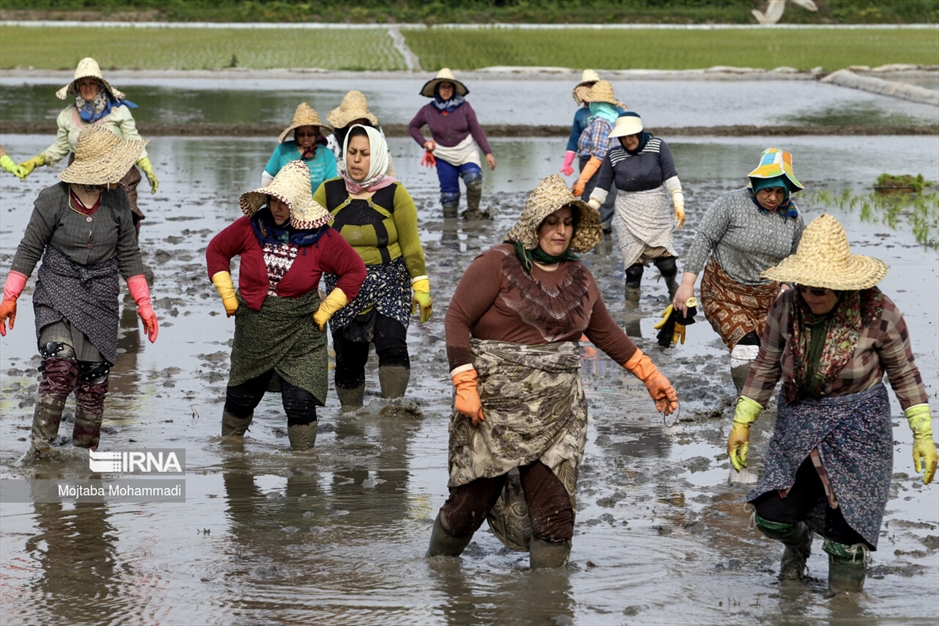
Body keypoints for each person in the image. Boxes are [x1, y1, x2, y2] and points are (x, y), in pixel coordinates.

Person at [426, 175, 679, 568]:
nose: (560, 231)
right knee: (468, 506)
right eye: (552, 222)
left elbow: (606, 333)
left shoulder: (580, 278)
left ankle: (546, 597)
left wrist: (650, 375)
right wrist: (464, 383)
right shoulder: (495, 263)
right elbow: (456, 318)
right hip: (492, 411)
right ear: (534, 224)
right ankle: (438, 573)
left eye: (567, 223)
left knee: (556, 515)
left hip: (558, 412)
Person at [727, 214, 937, 595]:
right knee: (772, 515)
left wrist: (922, 433)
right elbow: (766, 364)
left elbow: (904, 373)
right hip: (799, 425)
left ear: (842, 284)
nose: (813, 296)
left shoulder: (879, 312)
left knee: (846, 539)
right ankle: (799, 543)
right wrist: (743, 421)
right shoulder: (786, 307)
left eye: (822, 289)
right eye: (806, 287)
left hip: (859, 431)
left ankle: (846, 607)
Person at [0, 125, 159, 454]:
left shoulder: (117, 200)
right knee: (60, 369)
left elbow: (129, 255)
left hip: (101, 295)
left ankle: (85, 455)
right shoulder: (53, 199)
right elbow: (29, 249)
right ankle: (41, 452)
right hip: (56, 291)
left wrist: (144, 304)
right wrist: (9, 297)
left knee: (94, 380)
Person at [206, 161, 366, 450]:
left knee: (300, 402)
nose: (277, 208)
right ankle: (231, 459)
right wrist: (227, 293)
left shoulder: (321, 238)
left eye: (285, 203)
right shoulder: (251, 227)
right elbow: (217, 249)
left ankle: (303, 467)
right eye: (273, 200)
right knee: (241, 399)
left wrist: (327, 309)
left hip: (302, 331)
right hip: (255, 329)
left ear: (299, 205)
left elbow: (355, 270)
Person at [314, 125, 431, 410]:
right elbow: (309, 242)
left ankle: (394, 411)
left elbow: (411, 244)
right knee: (348, 357)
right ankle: (350, 417)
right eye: (352, 152)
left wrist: (420, 285)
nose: (356, 159)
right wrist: (309, 287)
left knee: (392, 343)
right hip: (344, 286)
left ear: (376, 156)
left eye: (364, 154)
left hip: (390, 281)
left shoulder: (395, 194)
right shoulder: (328, 192)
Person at [672, 148, 805, 391]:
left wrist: (786, 287)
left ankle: (761, 400)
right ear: (756, 184)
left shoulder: (793, 217)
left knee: (773, 354)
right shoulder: (730, 204)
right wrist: (687, 284)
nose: (773, 198)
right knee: (746, 347)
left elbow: (794, 257)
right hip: (724, 293)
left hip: (768, 299)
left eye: (780, 191)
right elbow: (704, 239)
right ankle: (747, 404)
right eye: (767, 190)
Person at [16, 57, 158, 237]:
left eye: (92, 83)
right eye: (83, 84)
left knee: (125, 219)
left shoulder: (118, 111)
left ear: (100, 86)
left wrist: (147, 166)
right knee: (83, 224)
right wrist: (35, 162)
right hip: (81, 174)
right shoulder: (67, 115)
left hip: (117, 173)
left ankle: (128, 250)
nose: (88, 87)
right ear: (77, 88)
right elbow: (60, 147)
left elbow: (133, 140)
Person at [588, 112, 685, 308]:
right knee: (633, 270)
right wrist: (589, 210)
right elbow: (602, 187)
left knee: (667, 264)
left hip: (656, 207)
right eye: (623, 137)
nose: (628, 140)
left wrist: (678, 202)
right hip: (627, 211)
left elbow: (670, 176)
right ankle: (631, 310)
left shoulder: (657, 146)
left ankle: (673, 289)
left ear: (639, 133)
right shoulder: (613, 155)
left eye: (631, 135)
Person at [408, 68, 496, 219]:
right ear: (437, 89)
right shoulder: (428, 110)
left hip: (466, 150)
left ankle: (473, 212)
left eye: (449, 87)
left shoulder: (465, 107)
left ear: (454, 89)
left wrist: (487, 153)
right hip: (442, 154)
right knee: (449, 197)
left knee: (474, 180)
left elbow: (476, 130)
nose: (446, 90)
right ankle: (449, 227)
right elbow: (412, 127)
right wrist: (424, 143)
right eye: (443, 87)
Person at [571, 80, 626, 233]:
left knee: (594, 200)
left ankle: (596, 231)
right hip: (610, 168)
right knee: (607, 198)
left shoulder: (600, 123)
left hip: (596, 170)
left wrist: (582, 181)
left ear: (596, 104)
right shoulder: (615, 120)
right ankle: (603, 228)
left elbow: (598, 155)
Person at [262, 102, 337, 192]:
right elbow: (268, 176)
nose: (305, 138)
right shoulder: (282, 150)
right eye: (301, 134)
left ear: (316, 133)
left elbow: (332, 185)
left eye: (310, 134)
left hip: (316, 201)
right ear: (296, 134)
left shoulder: (327, 154)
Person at [326, 90, 395, 176]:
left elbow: (387, 160)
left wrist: (393, 179)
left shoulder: (376, 134)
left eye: (361, 119)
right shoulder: (332, 141)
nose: (358, 122)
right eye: (354, 119)